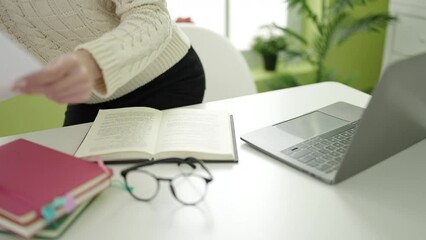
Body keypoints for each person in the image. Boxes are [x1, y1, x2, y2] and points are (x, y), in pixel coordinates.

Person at [1, 0, 205, 126]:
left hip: (166, 79)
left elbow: (151, 13)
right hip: (92, 100)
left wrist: (93, 62)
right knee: (80, 183)